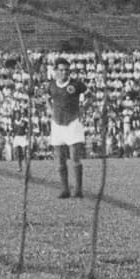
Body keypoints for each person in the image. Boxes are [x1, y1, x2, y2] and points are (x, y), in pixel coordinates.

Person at [47, 57, 87, 199]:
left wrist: (83, 110)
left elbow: (90, 95)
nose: (64, 72)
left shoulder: (76, 84)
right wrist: (50, 110)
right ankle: (65, 189)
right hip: (57, 124)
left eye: (67, 70)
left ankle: (78, 189)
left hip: (72, 123)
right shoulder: (51, 85)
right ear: (55, 71)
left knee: (75, 157)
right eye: (61, 70)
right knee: (59, 159)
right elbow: (46, 98)